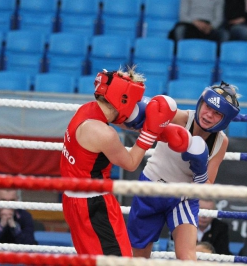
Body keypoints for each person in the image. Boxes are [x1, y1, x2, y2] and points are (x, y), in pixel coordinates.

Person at [60, 67, 178, 257]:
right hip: (93, 205)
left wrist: (160, 130)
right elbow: (131, 163)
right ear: (122, 98)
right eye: (133, 99)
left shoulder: (88, 110)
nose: (135, 105)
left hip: (75, 199)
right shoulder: (103, 133)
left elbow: (122, 122)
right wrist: (150, 133)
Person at [127, 81, 241, 260]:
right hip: (152, 188)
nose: (208, 115)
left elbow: (208, 184)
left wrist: (200, 169)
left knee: (188, 256)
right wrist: (135, 107)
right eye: (207, 107)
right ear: (200, 103)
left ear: (224, 119)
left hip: (184, 198)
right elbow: (134, 120)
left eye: (217, 113)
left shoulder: (221, 142)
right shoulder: (179, 118)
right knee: (139, 255)